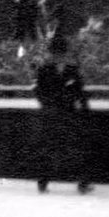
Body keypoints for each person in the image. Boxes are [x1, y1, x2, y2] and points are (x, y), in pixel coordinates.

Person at [33, 36, 92, 194]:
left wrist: (85, 110)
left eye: (61, 53)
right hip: (51, 114)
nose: (58, 56)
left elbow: (80, 92)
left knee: (75, 148)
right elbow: (39, 91)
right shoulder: (44, 70)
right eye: (55, 53)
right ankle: (43, 180)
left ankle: (82, 181)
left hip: (69, 113)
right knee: (48, 148)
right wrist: (48, 105)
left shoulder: (72, 70)